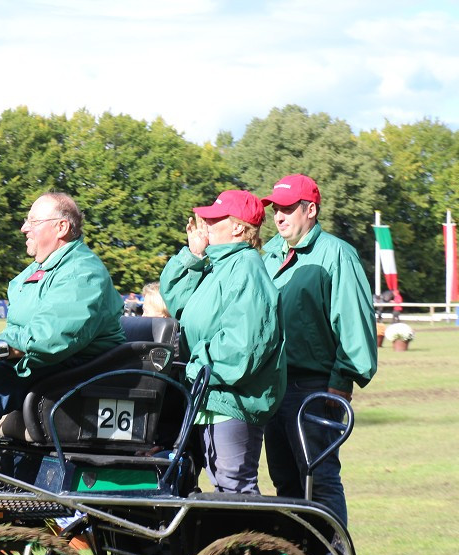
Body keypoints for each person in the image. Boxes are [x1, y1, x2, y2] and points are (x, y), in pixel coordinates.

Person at [0, 192, 125, 467]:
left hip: (77, 375)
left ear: (61, 227)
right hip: (44, 366)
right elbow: (22, 328)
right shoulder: (40, 270)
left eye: (33, 221)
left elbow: (53, 336)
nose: (24, 228)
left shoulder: (82, 272)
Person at [260, 174, 377, 526]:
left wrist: (342, 380)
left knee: (320, 483)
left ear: (310, 209)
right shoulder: (266, 255)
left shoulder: (338, 254)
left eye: (287, 208)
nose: (278, 216)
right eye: (274, 209)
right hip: (273, 390)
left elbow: (355, 323)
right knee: (286, 486)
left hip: (314, 389)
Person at [160, 190, 286, 494]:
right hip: (211, 397)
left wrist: (194, 366)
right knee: (208, 489)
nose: (206, 222)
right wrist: (193, 254)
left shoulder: (245, 270)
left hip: (233, 402)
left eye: (215, 218)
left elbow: (241, 349)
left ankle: (256, 544)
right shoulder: (221, 266)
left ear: (239, 228)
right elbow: (177, 301)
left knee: (234, 491)